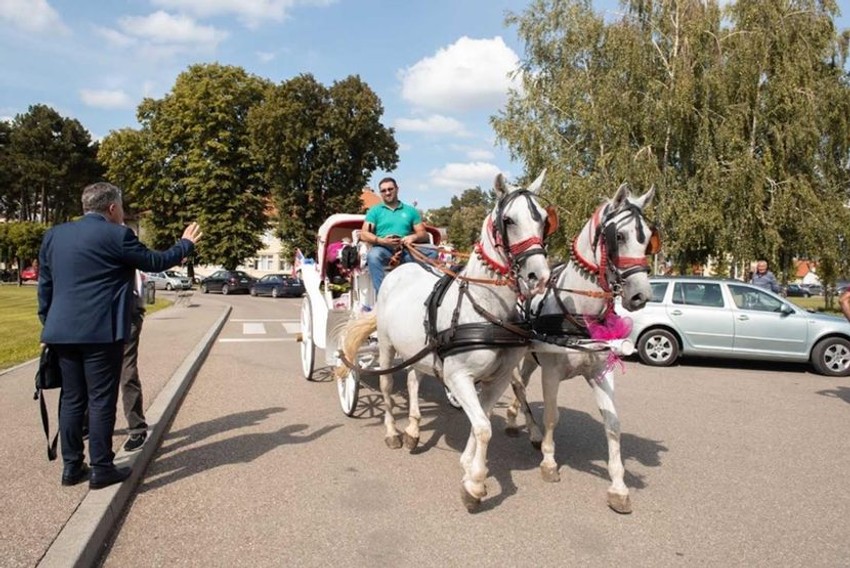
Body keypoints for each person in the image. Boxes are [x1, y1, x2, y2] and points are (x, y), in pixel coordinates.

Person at [38, 182, 202, 489]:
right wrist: (185, 244)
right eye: (122, 208)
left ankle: (71, 468)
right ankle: (101, 468)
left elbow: (45, 285)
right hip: (101, 332)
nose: (123, 213)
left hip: (61, 332)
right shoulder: (117, 235)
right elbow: (156, 262)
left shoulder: (54, 235)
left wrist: (47, 324)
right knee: (101, 399)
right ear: (112, 208)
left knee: (72, 399)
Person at [360, 177, 434, 295]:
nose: (387, 193)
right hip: (383, 249)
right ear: (380, 193)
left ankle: (423, 292)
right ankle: (383, 296)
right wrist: (381, 241)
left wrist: (412, 237)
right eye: (383, 191)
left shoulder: (411, 211)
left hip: (406, 250)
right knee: (373, 256)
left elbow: (423, 234)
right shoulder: (374, 211)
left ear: (397, 189)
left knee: (432, 251)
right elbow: (364, 234)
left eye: (390, 189)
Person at [121, 269, 148, 452]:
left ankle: (136, 426)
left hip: (127, 316)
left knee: (127, 372)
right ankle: (87, 423)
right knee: (94, 374)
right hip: (98, 317)